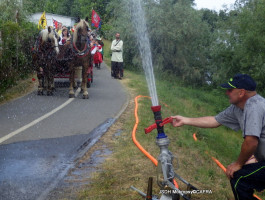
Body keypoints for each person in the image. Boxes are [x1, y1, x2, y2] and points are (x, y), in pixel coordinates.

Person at [171, 74, 265, 200]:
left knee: (239, 179)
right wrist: (185, 120)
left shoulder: (254, 106)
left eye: (230, 90)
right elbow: (215, 121)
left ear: (241, 92)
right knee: (244, 175)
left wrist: (238, 163)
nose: (226, 93)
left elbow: (251, 142)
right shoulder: (237, 108)